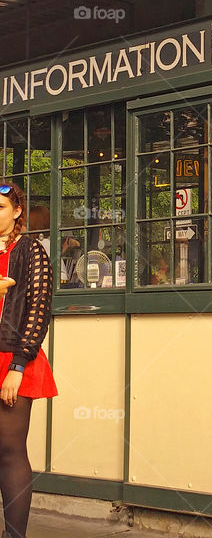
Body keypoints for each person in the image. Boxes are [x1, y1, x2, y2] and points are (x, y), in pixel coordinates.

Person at [0, 182, 57, 538]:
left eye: (1, 207)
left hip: (12, 357)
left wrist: (17, 367)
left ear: (17, 212)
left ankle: (14, 536)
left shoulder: (31, 251)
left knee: (9, 449)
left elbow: (39, 311)